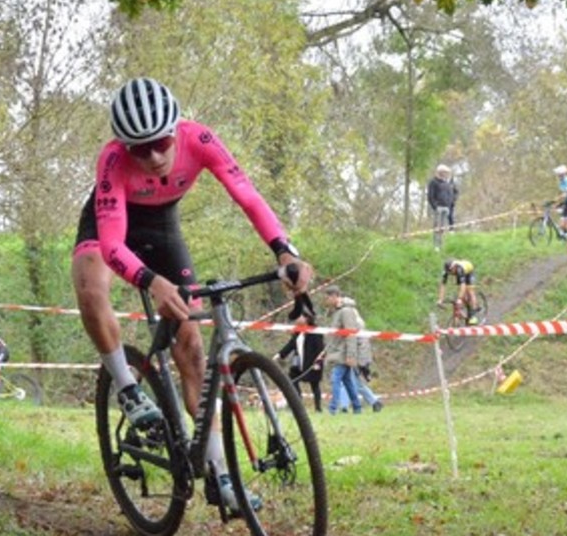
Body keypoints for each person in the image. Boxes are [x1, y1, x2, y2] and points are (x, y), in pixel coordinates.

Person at [71, 77, 313, 512]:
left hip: (162, 227)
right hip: (112, 226)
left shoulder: (199, 138)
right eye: (140, 149)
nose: (154, 156)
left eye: (161, 143)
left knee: (193, 350)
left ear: (175, 130)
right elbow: (111, 246)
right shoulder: (113, 159)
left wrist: (284, 250)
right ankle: (126, 386)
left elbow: (247, 196)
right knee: (90, 287)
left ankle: (220, 475)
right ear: (124, 146)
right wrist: (152, 282)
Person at [322, 285, 365, 414]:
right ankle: (357, 407)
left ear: (335, 296)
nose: (326, 300)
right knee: (347, 382)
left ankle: (332, 408)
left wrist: (351, 355)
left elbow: (351, 334)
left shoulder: (346, 311)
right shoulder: (335, 312)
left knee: (335, 379)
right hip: (336, 352)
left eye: (327, 298)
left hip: (343, 353)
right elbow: (334, 335)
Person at [276, 308, 325, 413]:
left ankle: (318, 408)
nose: (296, 319)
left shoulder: (315, 331)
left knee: (314, 385)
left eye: (299, 316)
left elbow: (320, 348)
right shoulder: (298, 332)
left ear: (306, 318)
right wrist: (280, 355)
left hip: (312, 362)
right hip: (298, 363)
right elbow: (291, 345)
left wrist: (318, 362)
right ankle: (297, 403)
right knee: (291, 380)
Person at [438, 258, 482, 325]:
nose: (450, 273)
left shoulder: (459, 269)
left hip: (469, 271)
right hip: (460, 273)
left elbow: (463, 285)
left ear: (454, 267)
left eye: (451, 271)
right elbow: (443, 285)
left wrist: (459, 299)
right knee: (462, 294)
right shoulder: (446, 272)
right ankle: (467, 311)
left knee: (470, 291)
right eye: (449, 272)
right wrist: (440, 299)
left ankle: (473, 314)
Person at [426, 164, 459, 244]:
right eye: (445, 172)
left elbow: (452, 193)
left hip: (447, 207)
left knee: (443, 228)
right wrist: (435, 206)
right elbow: (430, 196)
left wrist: (451, 202)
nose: (446, 175)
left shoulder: (446, 183)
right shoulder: (433, 182)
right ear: (440, 172)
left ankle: (442, 244)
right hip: (438, 207)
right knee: (437, 227)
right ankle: (436, 245)